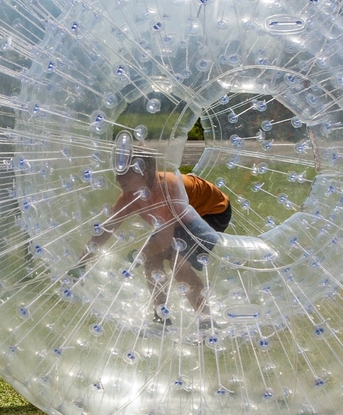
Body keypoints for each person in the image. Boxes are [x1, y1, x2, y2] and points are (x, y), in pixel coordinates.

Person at [75, 133, 231, 324]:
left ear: (144, 172)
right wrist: (81, 261)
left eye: (124, 172)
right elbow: (107, 228)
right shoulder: (129, 196)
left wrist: (138, 254)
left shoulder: (167, 188)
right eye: (117, 171)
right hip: (176, 217)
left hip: (211, 211)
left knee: (179, 265)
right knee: (152, 260)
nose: (117, 177)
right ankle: (161, 318)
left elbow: (164, 241)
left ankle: (207, 322)